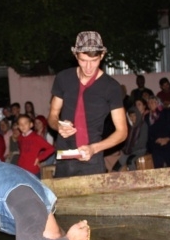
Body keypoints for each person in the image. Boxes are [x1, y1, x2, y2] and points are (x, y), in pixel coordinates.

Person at [48, 31, 127, 177]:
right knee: (64, 200)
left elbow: (122, 132)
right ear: (76, 55)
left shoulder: (111, 87)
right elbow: (52, 115)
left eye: (94, 60)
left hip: (92, 157)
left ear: (102, 55)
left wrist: (94, 148)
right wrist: (58, 125)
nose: (89, 67)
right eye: (83, 60)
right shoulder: (63, 78)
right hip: (64, 155)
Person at [145, 96, 170, 168]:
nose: (150, 104)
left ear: (158, 103)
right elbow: (148, 133)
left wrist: (167, 138)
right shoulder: (147, 117)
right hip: (155, 143)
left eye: (152, 102)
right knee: (156, 157)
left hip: (168, 140)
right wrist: (156, 140)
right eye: (149, 103)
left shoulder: (166, 112)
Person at [114, 106, 148, 171]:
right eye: (130, 116)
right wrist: (124, 149)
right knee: (118, 164)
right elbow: (127, 141)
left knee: (130, 160)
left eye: (134, 116)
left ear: (137, 115)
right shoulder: (131, 127)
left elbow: (142, 142)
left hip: (140, 150)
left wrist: (130, 150)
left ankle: (135, 178)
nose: (132, 118)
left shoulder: (143, 125)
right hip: (130, 150)